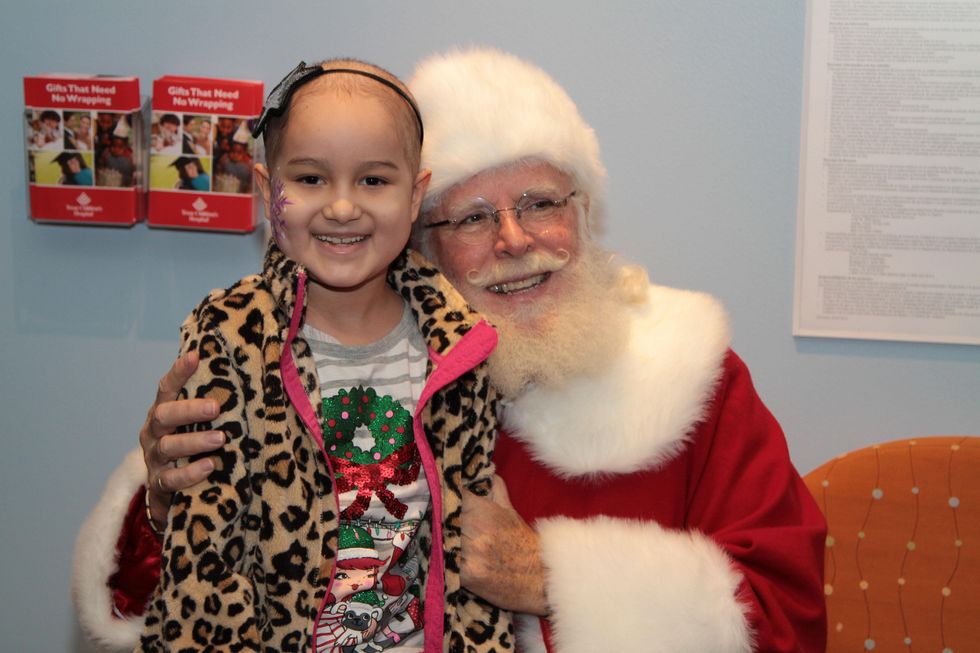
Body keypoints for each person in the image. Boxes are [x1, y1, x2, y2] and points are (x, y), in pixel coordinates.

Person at [73, 48, 827, 653]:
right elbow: (152, 605)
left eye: (540, 202)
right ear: (419, 243)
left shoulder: (686, 375)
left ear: (585, 213)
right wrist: (164, 506)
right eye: (470, 216)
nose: (514, 239)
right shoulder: (298, 359)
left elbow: (788, 617)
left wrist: (556, 581)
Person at [88, 57, 503, 653]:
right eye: (310, 179)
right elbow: (207, 553)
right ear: (267, 191)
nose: (341, 207)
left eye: (374, 181)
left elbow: (470, 565)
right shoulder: (232, 336)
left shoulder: (458, 344)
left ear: (415, 197)